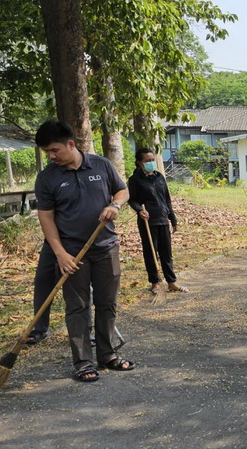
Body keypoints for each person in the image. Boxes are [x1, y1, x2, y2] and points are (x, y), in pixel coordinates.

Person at [33, 119, 135, 382]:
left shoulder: (101, 165)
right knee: (77, 308)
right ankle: (83, 362)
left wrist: (115, 205)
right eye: (47, 152)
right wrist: (60, 253)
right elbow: (46, 218)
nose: (51, 156)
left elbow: (123, 191)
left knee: (107, 303)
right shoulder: (47, 178)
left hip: (106, 247)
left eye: (54, 150)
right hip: (72, 254)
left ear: (70, 144)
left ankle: (108, 355)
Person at [127, 148, 187, 294]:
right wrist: (139, 210)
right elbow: (131, 199)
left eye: (152, 160)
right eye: (147, 161)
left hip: (163, 219)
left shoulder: (160, 177)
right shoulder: (135, 180)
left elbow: (167, 199)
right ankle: (155, 283)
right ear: (139, 162)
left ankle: (171, 282)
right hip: (148, 221)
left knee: (166, 253)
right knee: (151, 253)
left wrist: (173, 219)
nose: (151, 163)